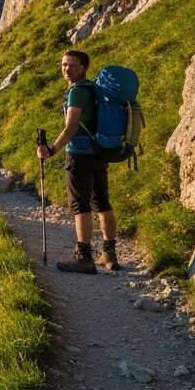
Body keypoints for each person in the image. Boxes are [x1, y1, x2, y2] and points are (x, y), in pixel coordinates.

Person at [35, 49, 119, 273]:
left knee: (79, 204)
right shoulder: (94, 89)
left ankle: (84, 257)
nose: (66, 69)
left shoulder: (77, 92)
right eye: (64, 65)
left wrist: (51, 149)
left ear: (83, 68)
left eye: (72, 65)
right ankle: (109, 254)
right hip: (99, 152)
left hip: (79, 154)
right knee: (101, 202)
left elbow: (71, 126)